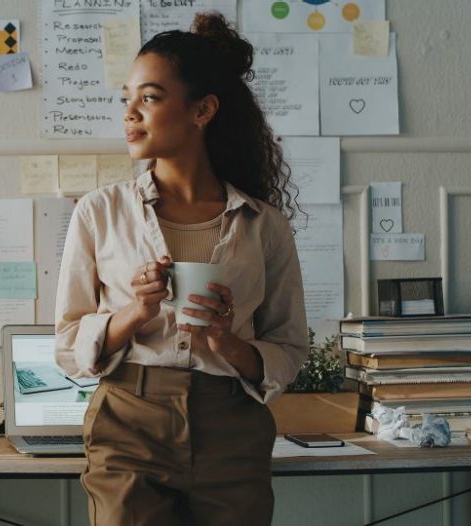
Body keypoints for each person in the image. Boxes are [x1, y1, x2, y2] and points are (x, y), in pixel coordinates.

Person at [54, 11, 309, 526]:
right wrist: (136, 310)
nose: (130, 113)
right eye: (126, 98)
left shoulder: (265, 226)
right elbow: (68, 345)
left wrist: (227, 342)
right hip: (128, 421)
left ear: (203, 110)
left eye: (148, 98)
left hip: (232, 427)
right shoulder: (99, 212)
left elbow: (289, 349)